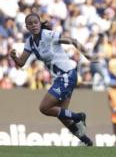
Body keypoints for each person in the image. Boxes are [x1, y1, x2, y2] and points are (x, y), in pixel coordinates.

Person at [10, 13, 94, 146]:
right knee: (62, 115)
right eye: (30, 24)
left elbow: (72, 41)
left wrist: (88, 55)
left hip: (66, 74)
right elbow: (21, 63)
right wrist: (14, 57)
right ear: (26, 27)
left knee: (44, 107)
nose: (33, 25)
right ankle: (86, 141)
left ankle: (79, 117)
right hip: (60, 78)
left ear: (39, 23)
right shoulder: (30, 42)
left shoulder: (48, 35)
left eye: (35, 22)